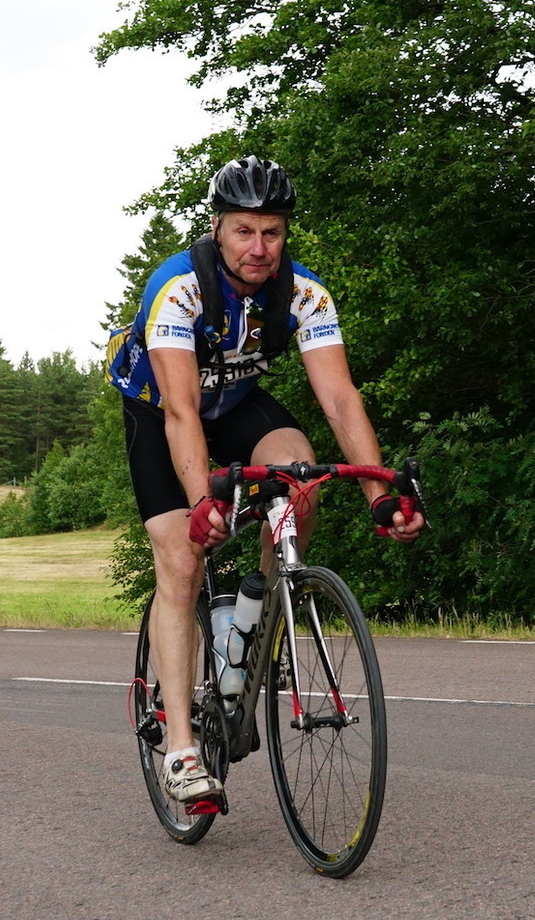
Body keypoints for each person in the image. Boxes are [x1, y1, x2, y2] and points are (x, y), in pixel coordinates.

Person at [106, 155, 424, 803]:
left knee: (300, 476)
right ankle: (181, 751)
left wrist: (380, 493)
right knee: (182, 558)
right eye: (244, 230)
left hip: (235, 405)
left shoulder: (304, 293)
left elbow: (340, 400)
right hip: (162, 412)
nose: (259, 247)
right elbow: (181, 411)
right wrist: (203, 503)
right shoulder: (178, 288)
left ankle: (252, 623)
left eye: (272, 232)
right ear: (217, 228)